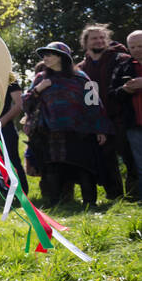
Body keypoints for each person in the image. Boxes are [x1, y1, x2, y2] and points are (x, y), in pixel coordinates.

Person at [23, 42, 111, 209]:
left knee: (86, 169)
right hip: (50, 132)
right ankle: (55, 204)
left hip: (80, 132)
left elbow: (94, 104)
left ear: (62, 57)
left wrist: (100, 128)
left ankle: (90, 205)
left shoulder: (81, 77)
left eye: (50, 54)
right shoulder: (40, 78)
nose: (45, 58)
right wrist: (39, 89)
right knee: (52, 169)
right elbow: (26, 104)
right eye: (44, 55)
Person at [78, 23, 134, 200]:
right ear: (86, 42)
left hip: (122, 116)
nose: (99, 41)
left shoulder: (122, 59)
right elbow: (86, 99)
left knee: (130, 157)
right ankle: (115, 196)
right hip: (98, 121)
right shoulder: (81, 68)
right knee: (106, 159)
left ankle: (135, 197)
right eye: (94, 38)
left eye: (102, 37)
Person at [109, 30, 142, 194]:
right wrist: (125, 90)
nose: (137, 49)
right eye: (133, 46)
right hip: (134, 124)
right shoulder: (123, 67)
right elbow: (112, 95)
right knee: (141, 166)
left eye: (141, 45)